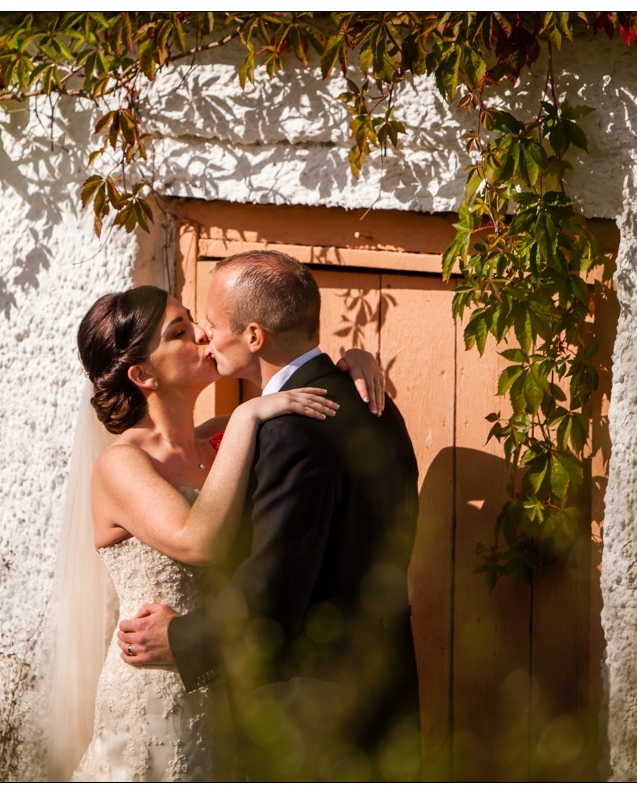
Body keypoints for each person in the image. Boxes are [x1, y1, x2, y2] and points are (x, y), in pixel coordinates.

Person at [48, 284, 385, 781]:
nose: (204, 335)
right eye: (180, 332)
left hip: (223, 686)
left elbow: (303, 402)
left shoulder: (220, 437)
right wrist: (249, 413)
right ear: (143, 375)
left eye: (194, 320)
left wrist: (352, 362)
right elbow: (197, 539)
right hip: (154, 695)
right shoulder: (123, 463)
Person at [116, 251, 421, 781]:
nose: (205, 337)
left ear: (254, 337)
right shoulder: (372, 401)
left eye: (209, 323)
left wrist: (181, 639)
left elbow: (273, 589)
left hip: (309, 715)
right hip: (386, 699)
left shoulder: (289, 430)